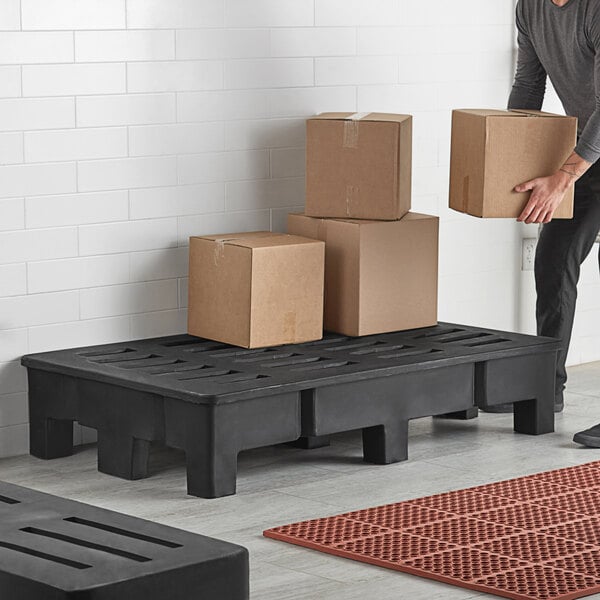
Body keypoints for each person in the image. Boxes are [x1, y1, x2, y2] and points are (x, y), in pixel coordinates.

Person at [486, 0, 600, 446]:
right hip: (589, 156)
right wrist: (510, 157)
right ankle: (543, 389)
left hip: (583, 158)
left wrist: (564, 175)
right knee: (552, 264)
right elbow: (528, 85)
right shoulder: (529, 6)